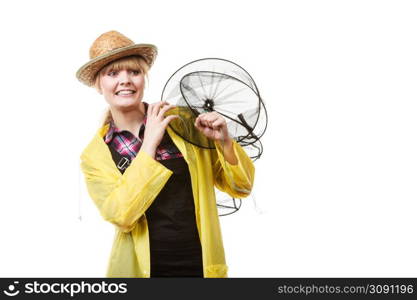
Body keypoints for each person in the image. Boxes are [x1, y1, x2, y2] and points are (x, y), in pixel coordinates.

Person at [76, 30, 255, 278]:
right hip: (142, 272)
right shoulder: (94, 155)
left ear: (144, 79)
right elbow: (121, 215)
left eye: (134, 72)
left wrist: (225, 142)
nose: (125, 80)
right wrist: (149, 143)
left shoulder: (183, 122)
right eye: (113, 73)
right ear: (99, 85)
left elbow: (242, 187)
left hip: (200, 266)